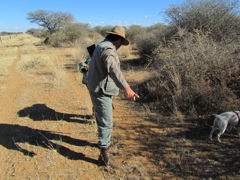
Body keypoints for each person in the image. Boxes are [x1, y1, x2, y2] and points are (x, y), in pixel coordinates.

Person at [87, 26, 140, 168]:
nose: (121, 46)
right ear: (119, 40)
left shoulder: (101, 46)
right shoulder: (109, 50)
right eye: (122, 43)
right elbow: (113, 69)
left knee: (102, 117)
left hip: (96, 87)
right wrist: (127, 88)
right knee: (107, 121)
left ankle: (104, 141)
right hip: (100, 90)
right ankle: (104, 156)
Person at [79, 44, 96, 117]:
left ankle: (96, 115)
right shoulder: (90, 59)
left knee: (96, 99)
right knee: (96, 98)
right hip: (90, 82)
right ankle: (96, 115)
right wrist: (84, 68)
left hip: (92, 82)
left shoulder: (92, 59)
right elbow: (82, 67)